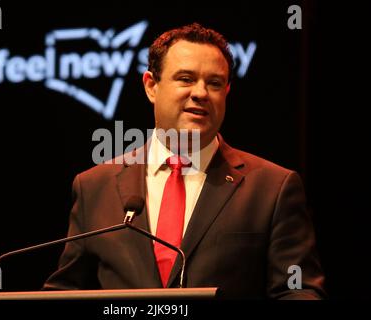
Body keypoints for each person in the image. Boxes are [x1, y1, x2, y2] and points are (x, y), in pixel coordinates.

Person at [43, 23, 326, 299]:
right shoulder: (95, 186)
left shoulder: (271, 188)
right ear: (151, 86)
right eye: (186, 79)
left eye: (214, 83)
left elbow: (297, 290)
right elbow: (66, 293)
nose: (201, 93)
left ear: (226, 92)